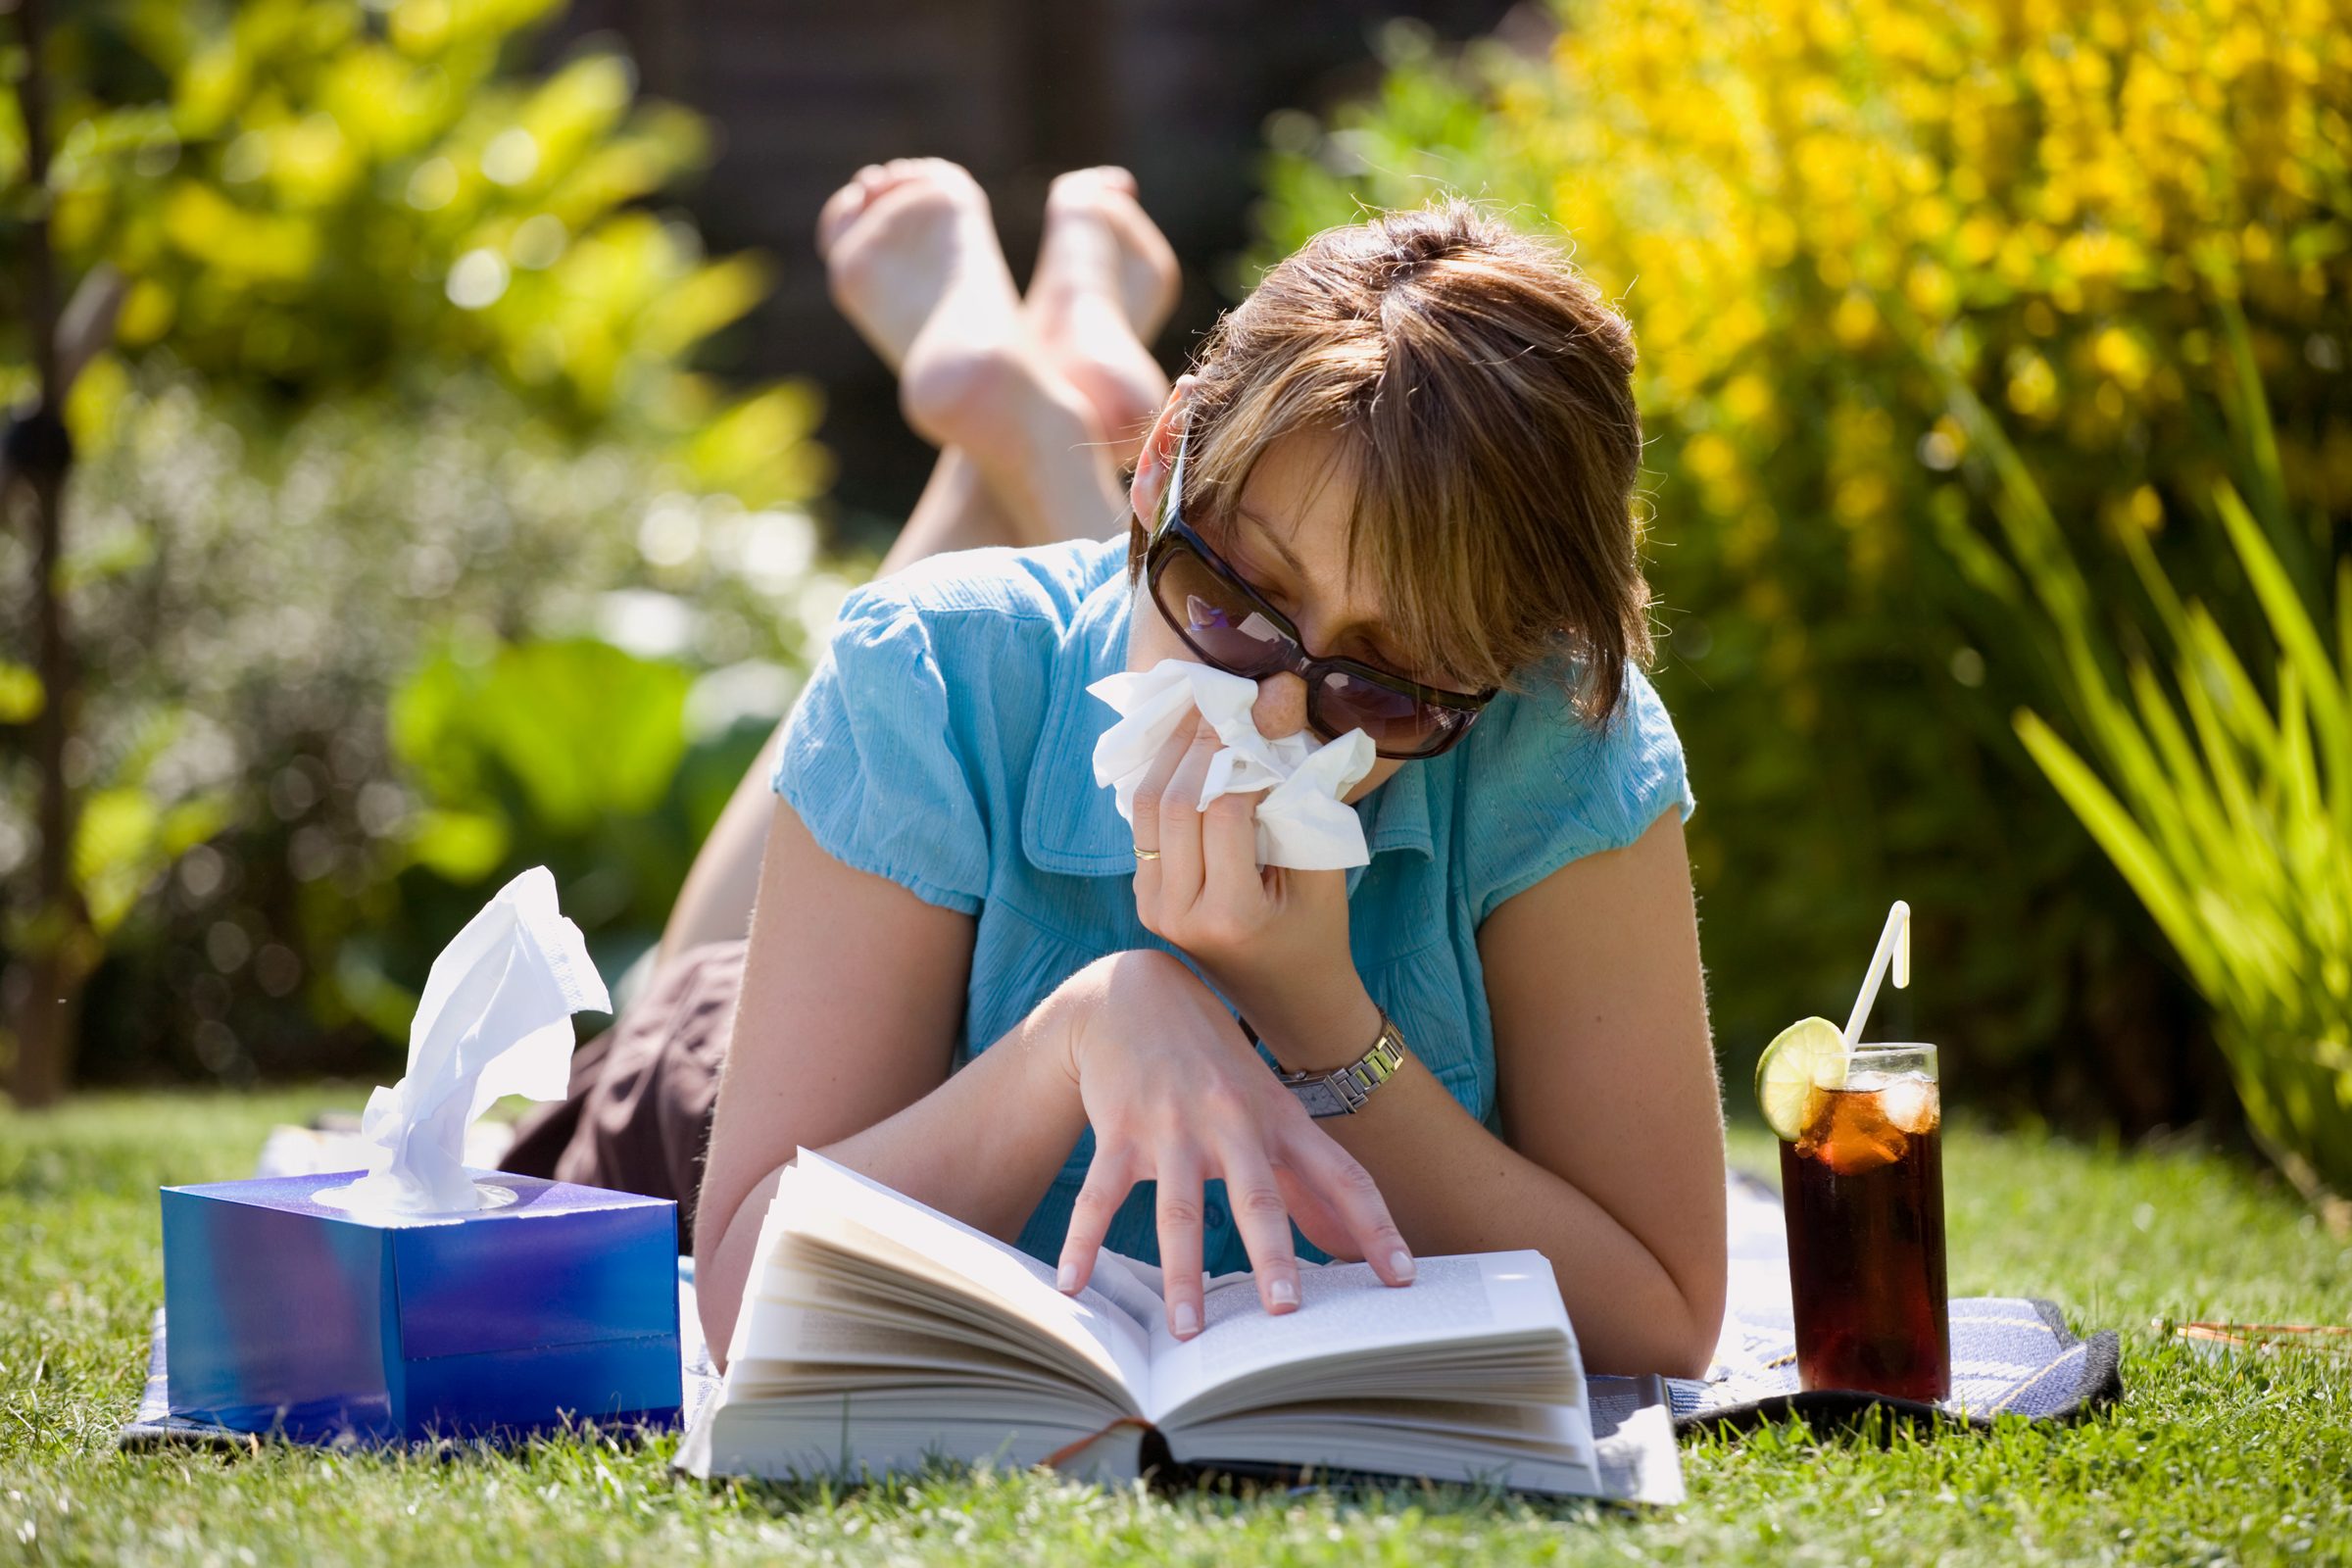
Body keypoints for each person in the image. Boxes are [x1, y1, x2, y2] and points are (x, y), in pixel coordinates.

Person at [505, 159, 1728, 1379]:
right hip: (741, 1065)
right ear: (1162, 469)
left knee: (1052, 639)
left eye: (1382, 680)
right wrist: (1073, 1034)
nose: (1276, 714)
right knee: (693, 972)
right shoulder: (932, 670)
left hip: (1103, 622)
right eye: (1237, 603)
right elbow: (741, 1294)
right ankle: (1026, 437)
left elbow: (1665, 1317)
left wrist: (1321, 1021)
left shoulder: (1546, 731)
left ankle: (1034, 430)